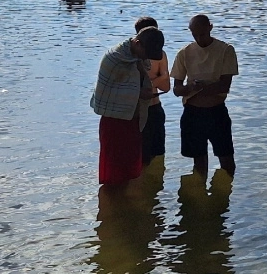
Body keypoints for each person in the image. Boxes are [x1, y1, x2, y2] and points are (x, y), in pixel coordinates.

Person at [91, 26, 166, 186]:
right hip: (114, 121)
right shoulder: (114, 58)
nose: (148, 58)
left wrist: (142, 94)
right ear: (138, 43)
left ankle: (126, 204)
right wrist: (140, 95)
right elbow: (106, 92)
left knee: (131, 172)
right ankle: (111, 205)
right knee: (113, 176)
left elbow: (134, 84)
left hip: (134, 121)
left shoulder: (138, 59)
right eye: (147, 53)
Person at [171, 14, 239, 176]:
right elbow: (176, 89)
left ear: (210, 28)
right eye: (195, 35)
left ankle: (224, 194)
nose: (199, 38)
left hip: (216, 111)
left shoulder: (225, 50)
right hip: (192, 113)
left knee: (227, 161)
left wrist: (200, 89)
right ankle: (199, 195)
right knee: (199, 164)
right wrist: (191, 88)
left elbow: (224, 86)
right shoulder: (184, 53)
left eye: (202, 34)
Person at [134, 16, 171, 166]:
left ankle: (154, 187)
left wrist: (148, 83)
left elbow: (166, 86)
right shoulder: (132, 56)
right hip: (137, 111)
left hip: (155, 108)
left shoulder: (160, 55)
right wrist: (157, 78)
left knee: (157, 155)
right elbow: (163, 79)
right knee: (141, 156)